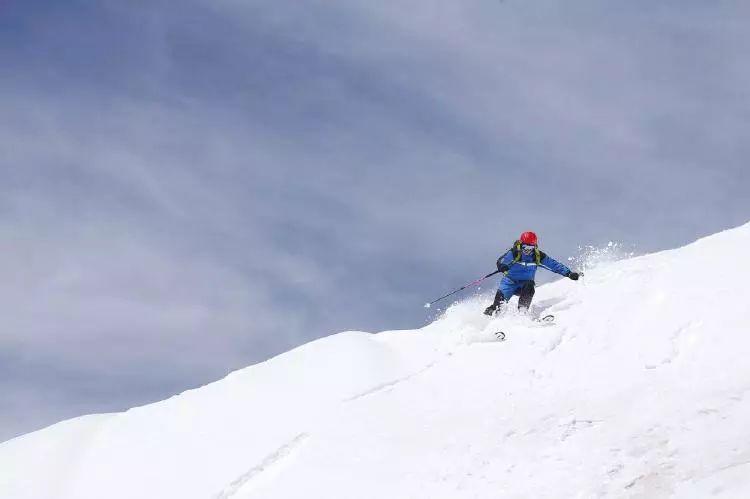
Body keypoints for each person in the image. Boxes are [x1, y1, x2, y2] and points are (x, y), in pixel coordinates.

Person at [484, 231, 581, 316]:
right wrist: (502, 266)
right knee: (497, 307)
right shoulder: (514, 253)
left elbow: (554, 265)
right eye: (525, 247)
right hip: (509, 283)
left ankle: (522, 313)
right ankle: (487, 321)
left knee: (529, 285)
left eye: (531, 247)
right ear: (521, 244)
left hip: (524, 285)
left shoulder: (537, 256)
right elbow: (501, 261)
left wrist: (568, 273)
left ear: (535, 246)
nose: (528, 250)